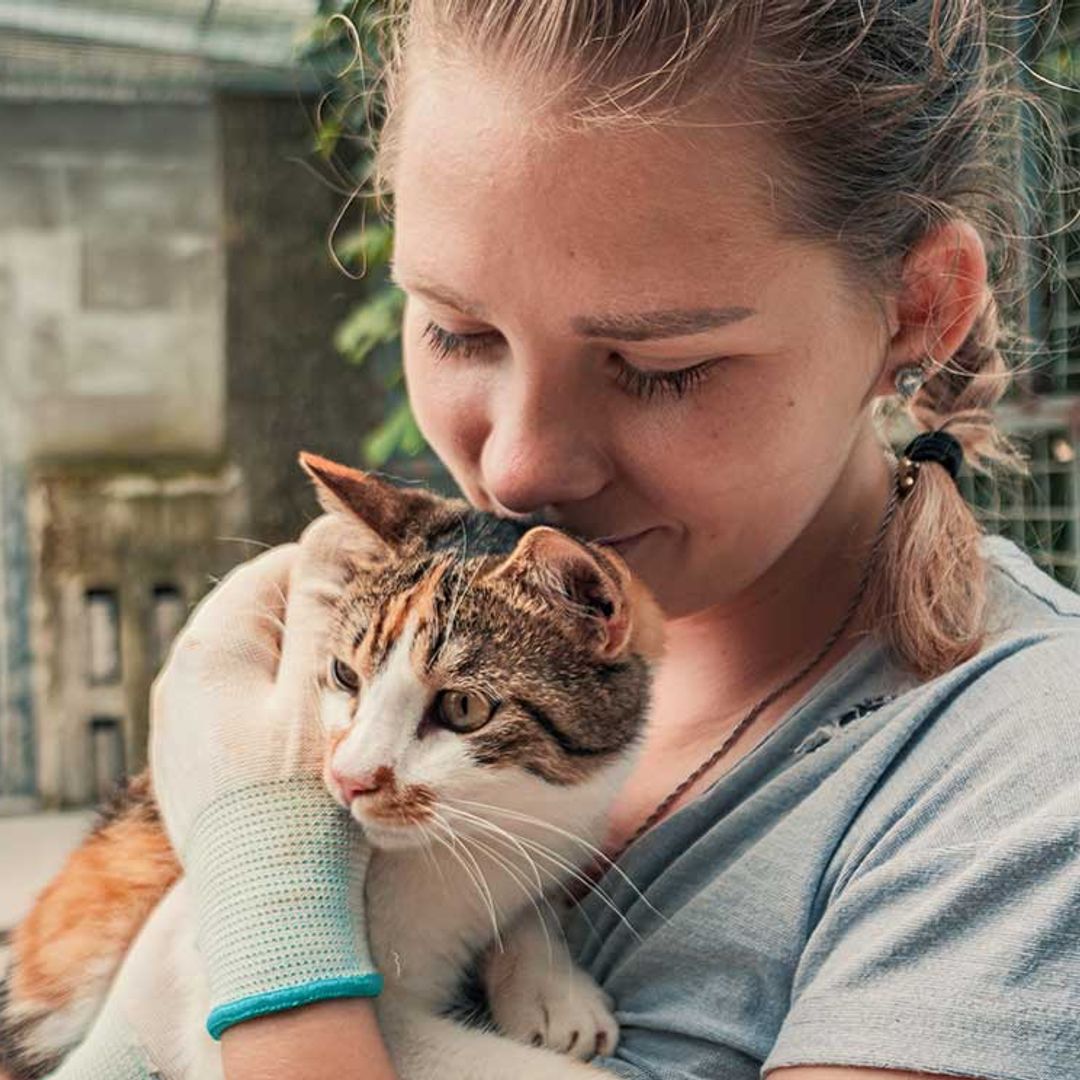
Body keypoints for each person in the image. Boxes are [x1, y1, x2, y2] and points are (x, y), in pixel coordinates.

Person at [53, 2, 1080, 1079]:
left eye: (662, 366)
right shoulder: (421, 623)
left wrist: (267, 904)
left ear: (920, 306)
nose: (517, 468)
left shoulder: (1024, 780)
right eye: (457, 329)